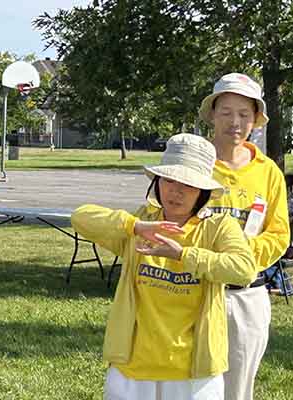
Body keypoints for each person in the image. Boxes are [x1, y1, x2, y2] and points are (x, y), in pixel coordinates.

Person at [72, 134, 258, 400]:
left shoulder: (217, 227)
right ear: (157, 183)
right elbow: (80, 218)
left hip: (194, 372)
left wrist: (183, 254)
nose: (176, 191)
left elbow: (244, 269)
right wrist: (134, 226)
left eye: (188, 185)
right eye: (169, 180)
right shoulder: (142, 223)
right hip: (132, 368)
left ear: (203, 192)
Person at [198, 73, 290, 400]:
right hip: (194, 292)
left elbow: (279, 234)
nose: (234, 122)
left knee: (237, 390)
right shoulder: (195, 165)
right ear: (212, 114)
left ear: (255, 120)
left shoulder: (268, 172)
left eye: (244, 114)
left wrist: (238, 254)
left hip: (246, 297)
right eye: (226, 112)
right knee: (189, 385)